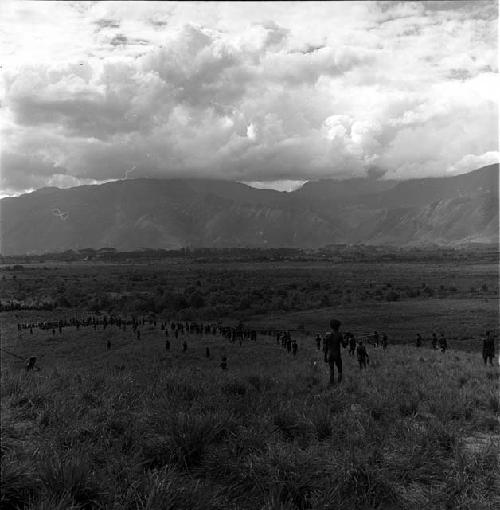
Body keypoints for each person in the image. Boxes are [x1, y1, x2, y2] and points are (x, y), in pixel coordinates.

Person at [324, 319, 347, 385]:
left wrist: (325, 356)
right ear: (337, 326)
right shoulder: (339, 334)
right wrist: (346, 339)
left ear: (331, 326)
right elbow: (344, 346)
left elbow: (326, 347)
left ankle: (331, 383)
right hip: (337, 354)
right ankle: (339, 383)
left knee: (331, 369)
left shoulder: (328, 335)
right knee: (340, 369)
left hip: (330, 354)